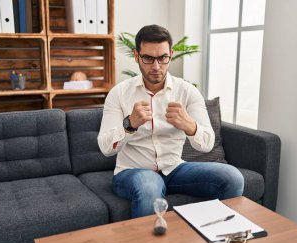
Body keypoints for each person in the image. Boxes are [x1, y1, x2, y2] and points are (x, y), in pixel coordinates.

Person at [98, 24, 244, 218]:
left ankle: (216, 236)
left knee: (232, 177)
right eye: (148, 58)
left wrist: (190, 126)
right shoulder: (119, 93)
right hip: (133, 171)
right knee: (150, 184)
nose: (156, 66)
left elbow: (207, 143)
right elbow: (105, 148)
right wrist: (129, 124)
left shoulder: (187, 91)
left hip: (175, 169)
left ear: (171, 55)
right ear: (136, 55)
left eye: (163, 58)